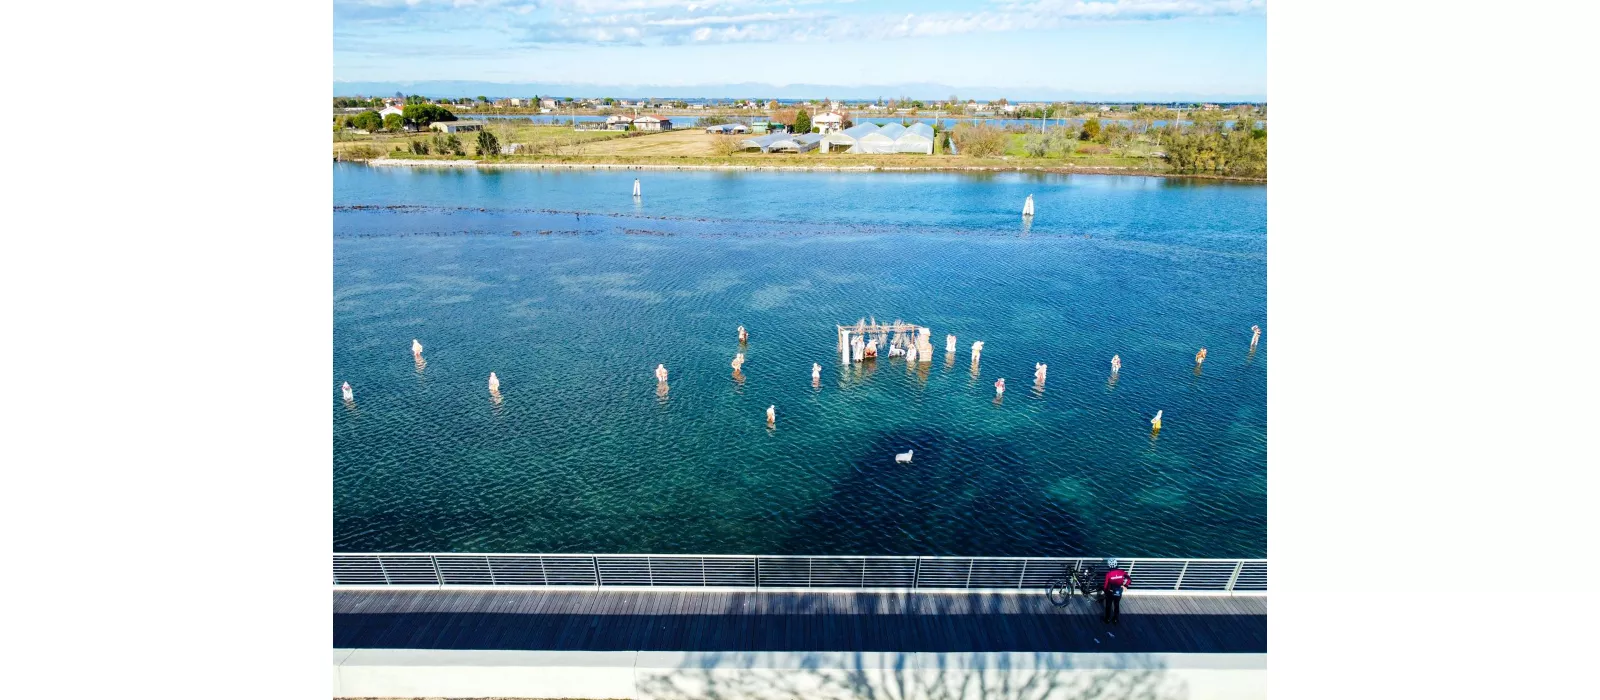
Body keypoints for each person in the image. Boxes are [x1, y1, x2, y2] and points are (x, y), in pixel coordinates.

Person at [1101, 557, 1131, 624]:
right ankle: (1115, 619)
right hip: (1118, 592)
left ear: (1109, 565)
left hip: (1110, 592)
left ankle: (1107, 619)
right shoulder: (1122, 572)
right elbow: (1129, 579)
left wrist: (1105, 592)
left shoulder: (1108, 574)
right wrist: (1125, 586)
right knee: (1116, 605)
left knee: (1108, 606)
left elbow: (1106, 585)